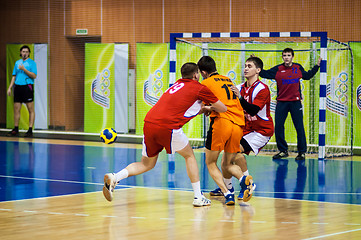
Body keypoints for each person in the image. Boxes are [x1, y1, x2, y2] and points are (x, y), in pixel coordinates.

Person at [103, 62, 227, 207]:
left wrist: (202, 109)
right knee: (189, 156)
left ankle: (115, 177)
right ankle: (198, 197)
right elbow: (222, 108)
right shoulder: (199, 87)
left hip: (149, 123)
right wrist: (209, 107)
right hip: (168, 126)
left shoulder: (175, 86)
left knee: (146, 163)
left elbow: (181, 108)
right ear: (196, 75)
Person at [209, 56, 274, 202]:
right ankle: (228, 187)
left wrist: (240, 99)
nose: (245, 68)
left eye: (249, 66)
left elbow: (253, 110)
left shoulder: (262, 89)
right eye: (245, 66)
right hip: (245, 128)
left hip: (261, 130)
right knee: (227, 155)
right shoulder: (239, 87)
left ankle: (247, 183)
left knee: (235, 151)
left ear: (258, 70)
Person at [197, 56, 250, 205]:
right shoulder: (227, 79)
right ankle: (243, 179)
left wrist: (207, 109)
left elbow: (205, 107)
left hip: (222, 123)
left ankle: (227, 194)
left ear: (203, 72)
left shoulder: (206, 82)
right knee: (227, 164)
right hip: (238, 124)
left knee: (210, 162)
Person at [259, 48, 321, 160]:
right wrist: (255, 62)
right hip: (282, 103)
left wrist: (317, 66)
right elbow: (264, 73)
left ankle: (302, 152)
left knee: (299, 127)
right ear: (282, 57)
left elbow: (307, 76)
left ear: (292, 56)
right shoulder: (278, 69)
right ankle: (283, 150)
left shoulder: (298, 67)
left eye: (288, 55)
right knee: (278, 127)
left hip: (295, 103)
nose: (286, 57)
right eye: (284, 55)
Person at [7, 45, 37, 137]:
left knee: (30, 109)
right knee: (16, 109)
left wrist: (24, 69)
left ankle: (30, 130)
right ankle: (16, 129)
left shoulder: (32, 63)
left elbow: (34, 76)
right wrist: (10, 87)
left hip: (27, 87)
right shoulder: (17, 63)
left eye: (27, 52)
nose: (25, 53)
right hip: (18, 88)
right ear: (20, 53)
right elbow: (14, 76)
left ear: (29, 53)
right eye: (23, 51)